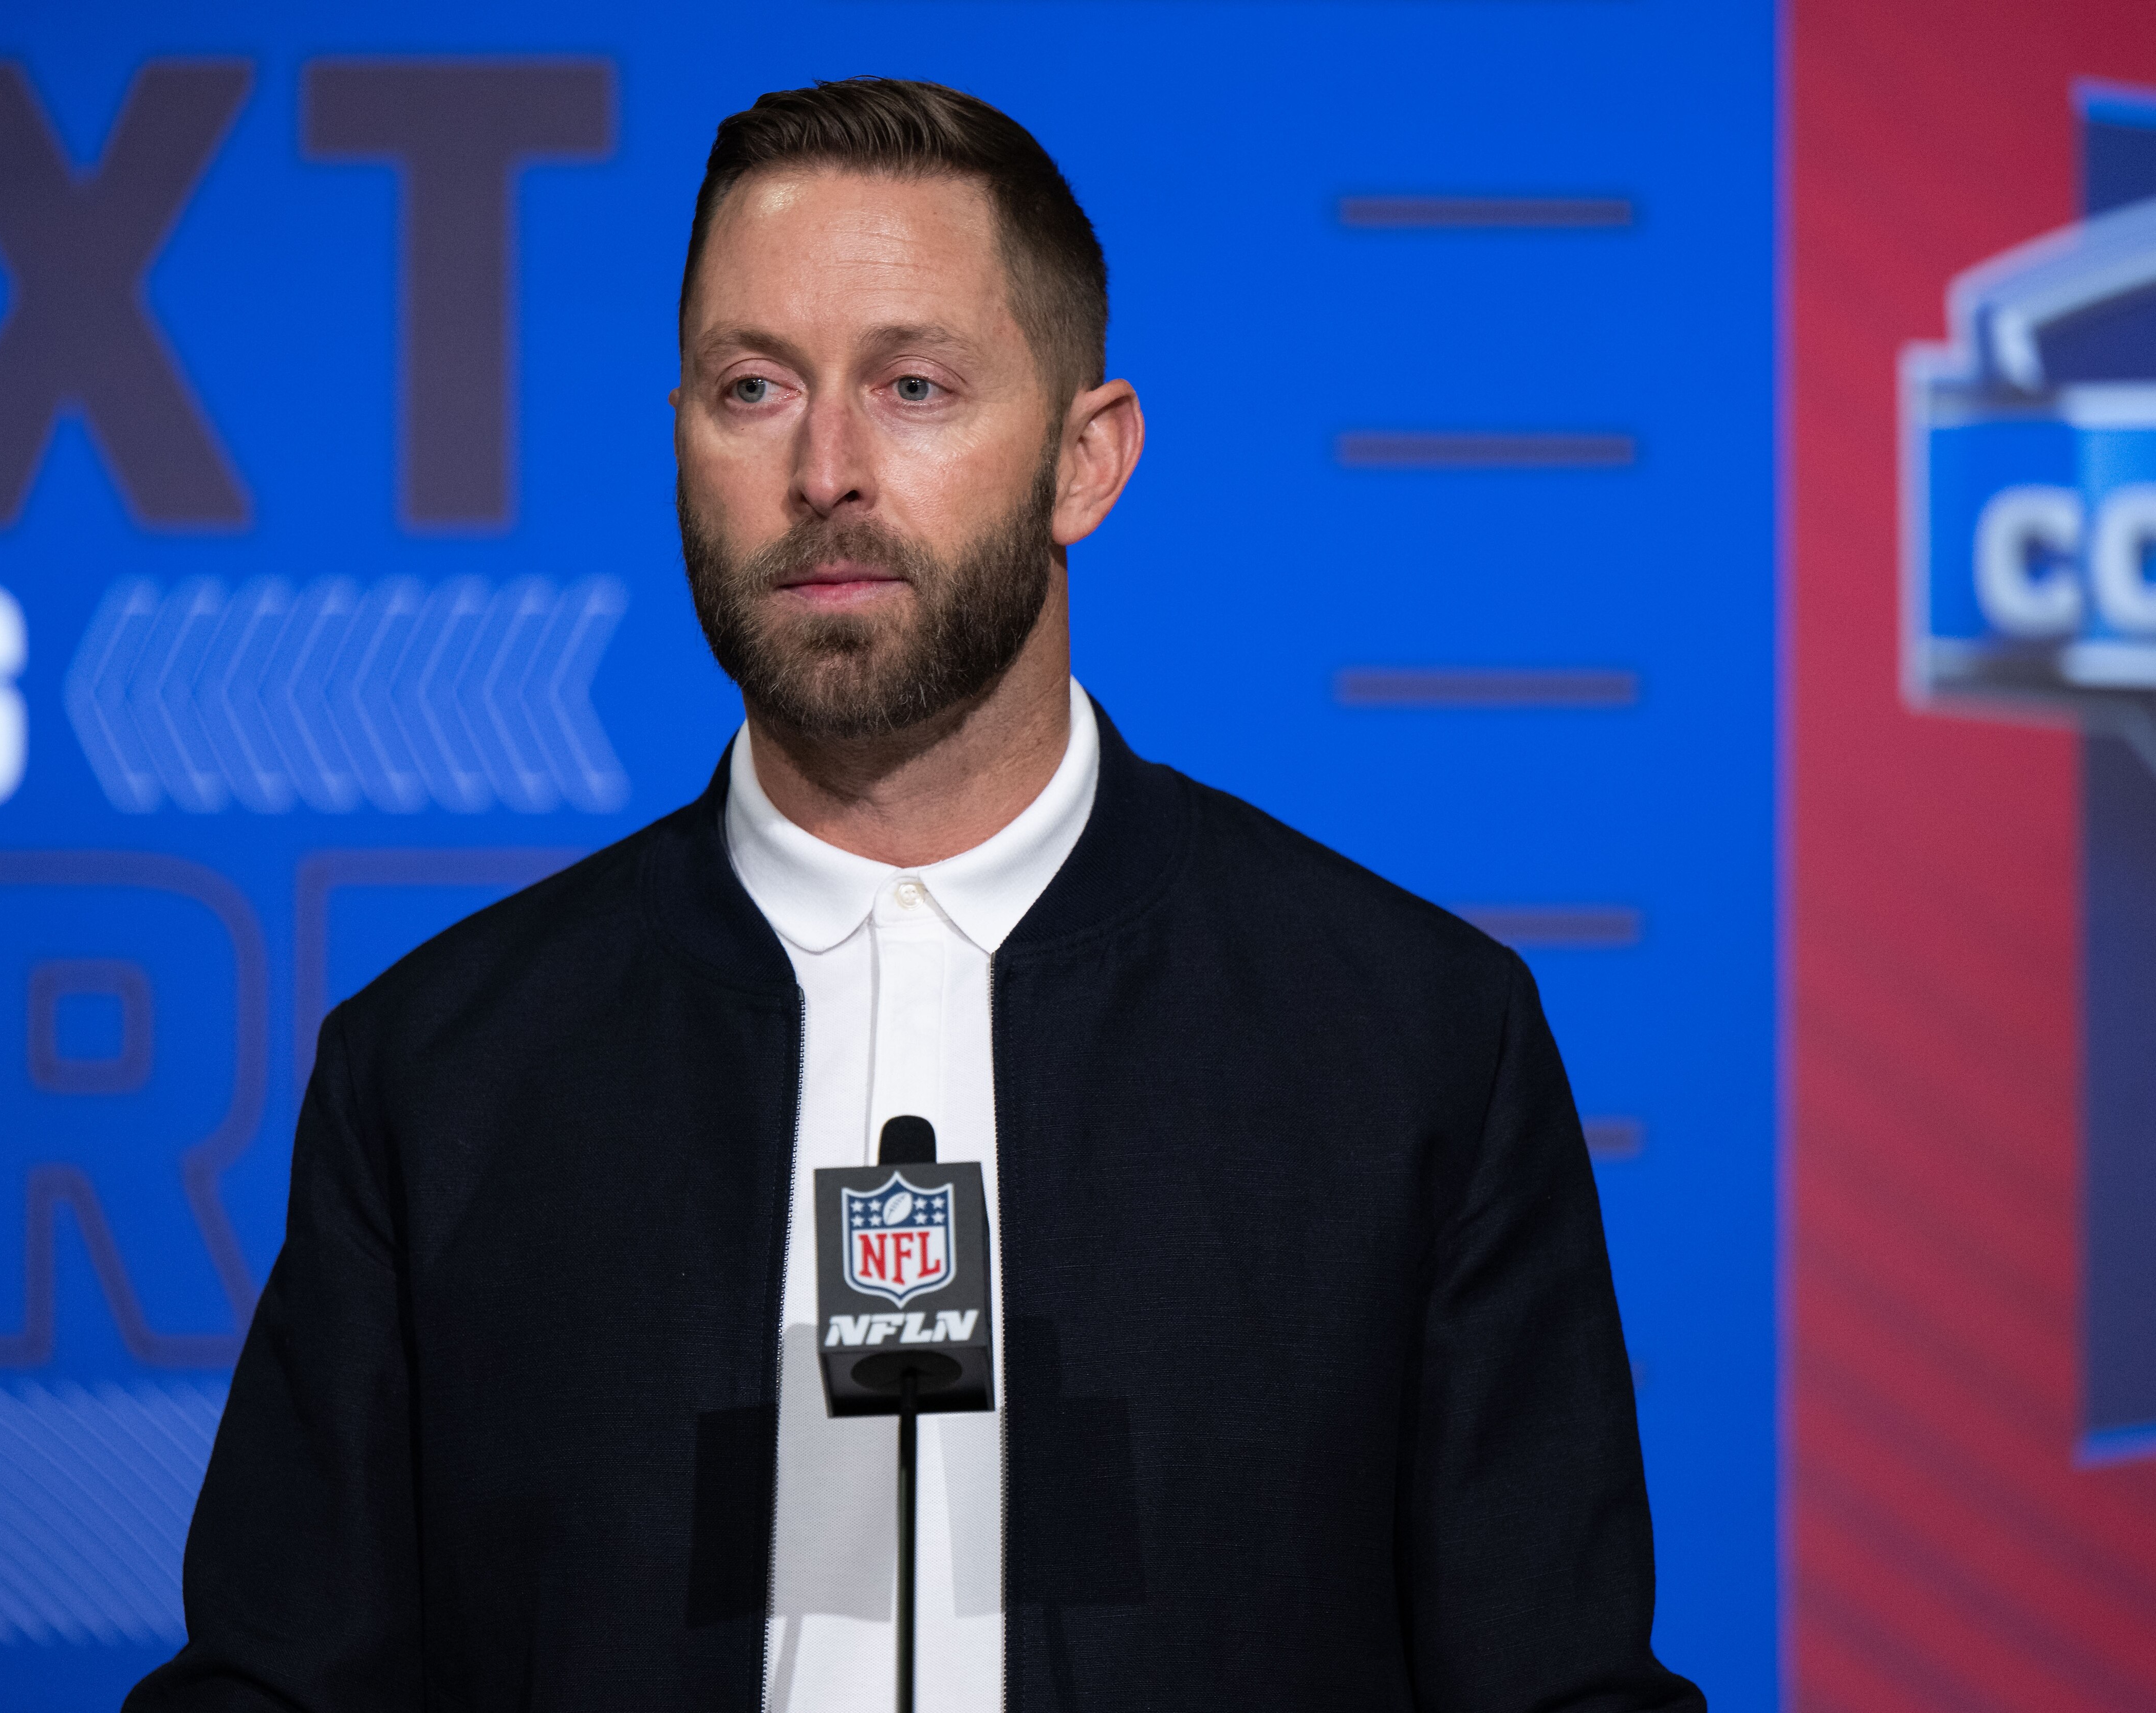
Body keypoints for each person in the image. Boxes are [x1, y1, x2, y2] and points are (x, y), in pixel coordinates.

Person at [125, 77, 1703, 1713]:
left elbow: (1555, 1684)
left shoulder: (1413, 1044)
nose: (827, 469)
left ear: (1085, 462)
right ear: (679, 441)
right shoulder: (441, 1072)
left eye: (915, 386)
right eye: (754, 387)